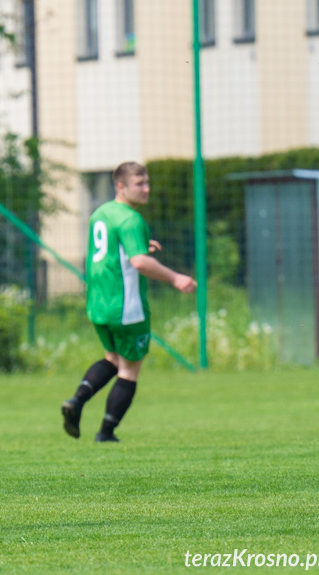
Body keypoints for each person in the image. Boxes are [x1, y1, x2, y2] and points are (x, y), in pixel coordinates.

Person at [61, 161, 197, 443]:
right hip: (126, 305)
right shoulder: (131, 219)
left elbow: (113, 250)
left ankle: (77, 401)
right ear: (120, 186)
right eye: (140, 184)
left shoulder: (101, 213)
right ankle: (106, 433)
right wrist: (175, 278)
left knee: (112, 357)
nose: (146, 189)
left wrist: (141, 247)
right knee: (130, 368)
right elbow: (139, 262)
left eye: (147, 183)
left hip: (98, 303)